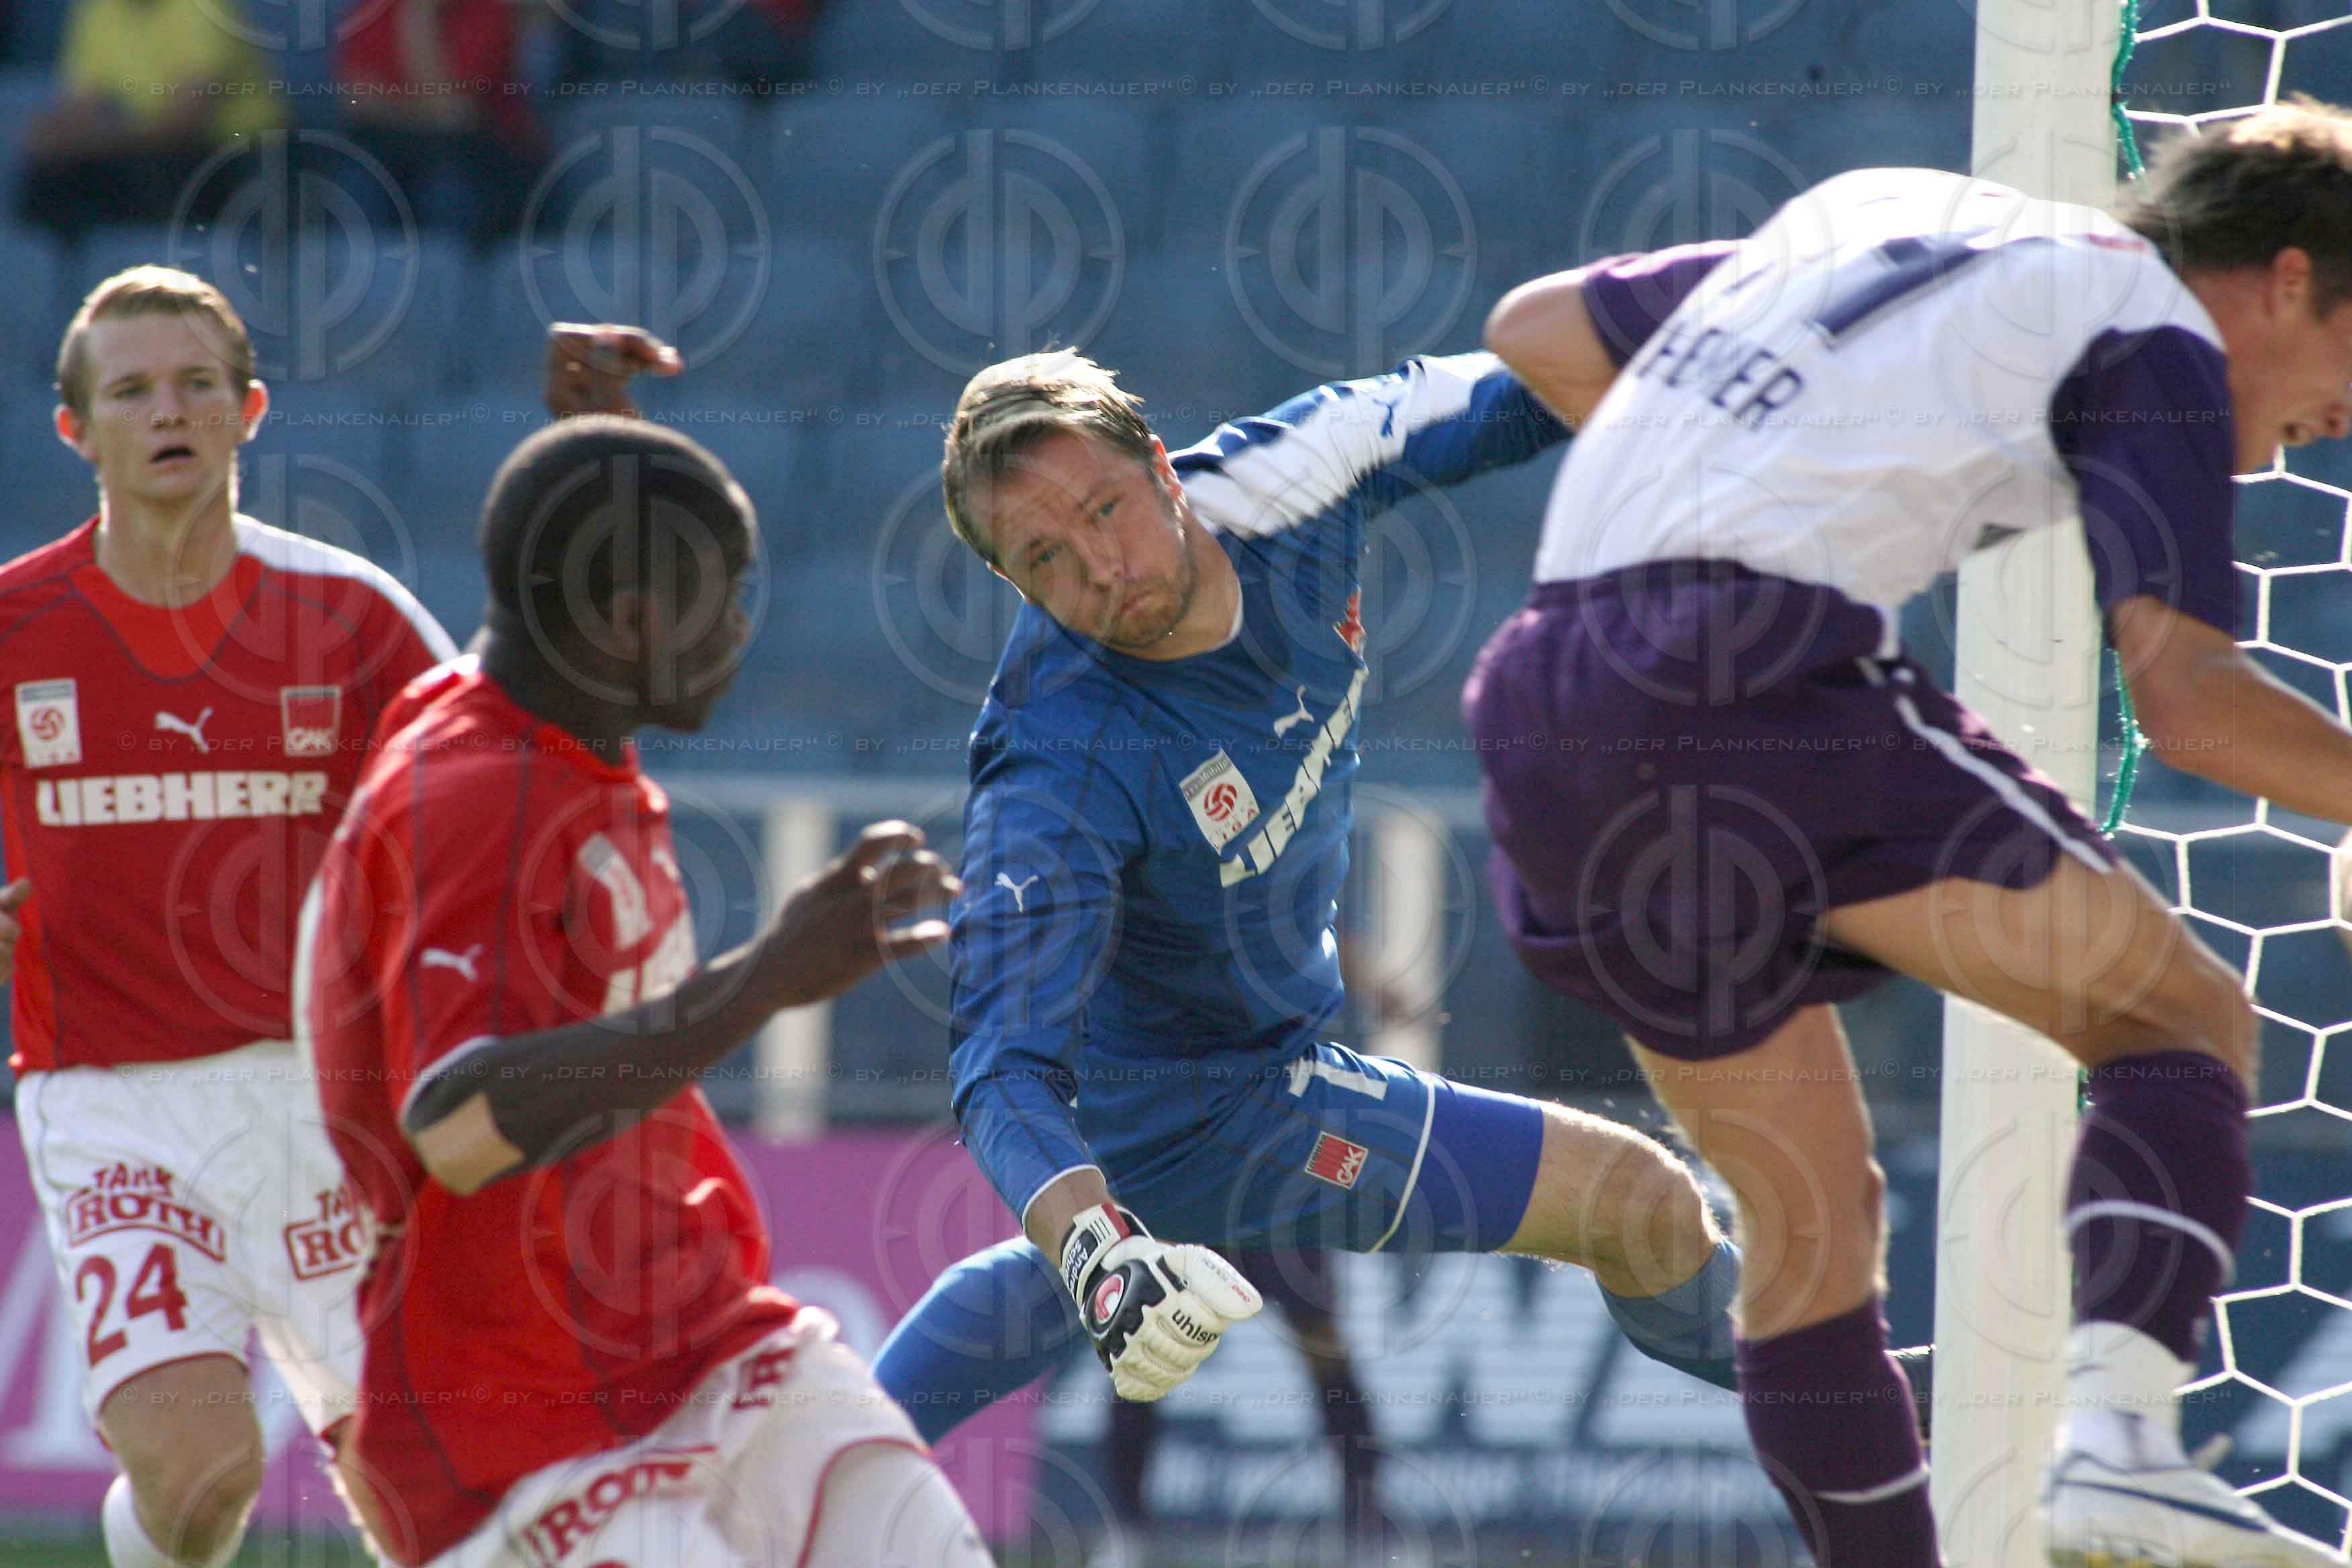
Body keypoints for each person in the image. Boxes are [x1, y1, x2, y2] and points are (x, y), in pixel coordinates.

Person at [1461, 108, 2352, 1565]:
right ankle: (2123, 1444)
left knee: (1813, 1218)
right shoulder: (2155, 331)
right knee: (2177, 1016)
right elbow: (2190, 702)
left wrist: (1754, 456)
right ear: (2288, 276)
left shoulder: (1876, 211)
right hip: (1752, 675)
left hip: (1547, 699)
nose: (2344, 415)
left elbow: (1539, 325)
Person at [300, 409, 989, 1567]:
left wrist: (585, 430)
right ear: (629, 622)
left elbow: (551, 588)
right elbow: (459, 1127)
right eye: (724, 598)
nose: (739, 630)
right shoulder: (473, 799)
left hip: (710, 1344)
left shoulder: (558, 721)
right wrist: (760, 982)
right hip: (523, 1426)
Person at [1, 266, 456, 1567]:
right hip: (113, 1107)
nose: (171, 410)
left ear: (250, 409)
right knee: (203, 1478)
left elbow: (489, 790)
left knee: (418, 1496)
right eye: (133, 389)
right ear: (76, 430)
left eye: (199, 383)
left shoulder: (353, 616)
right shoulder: (14, 623)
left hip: (331, 1100)